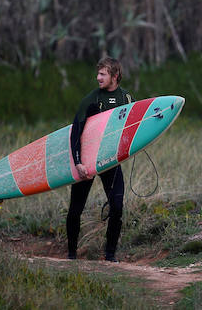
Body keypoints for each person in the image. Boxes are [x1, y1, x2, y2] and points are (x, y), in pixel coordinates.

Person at [67, 56, 133, 262]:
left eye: (103, 74)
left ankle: (110, 255)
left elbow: (130, 128)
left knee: (117, 207)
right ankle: (71, 254)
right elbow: (75, 132)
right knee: (75, 209)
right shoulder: (91, 100)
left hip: (110, 160)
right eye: (98, 73)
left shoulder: (127, 98)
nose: (98, 78)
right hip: (86, 160)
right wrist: (78, 162)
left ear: (115, 76)